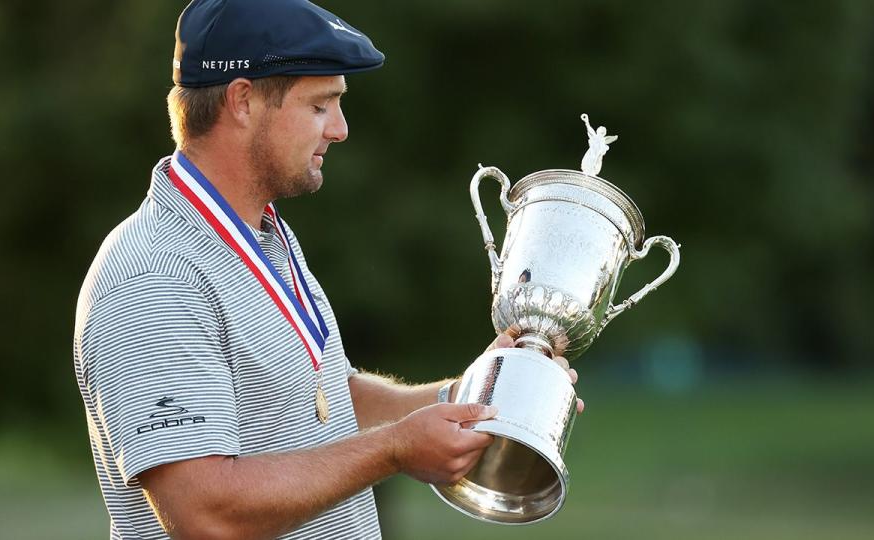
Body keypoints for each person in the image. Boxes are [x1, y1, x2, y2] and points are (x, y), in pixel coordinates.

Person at [73, 1, 582, 539]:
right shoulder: (156, 275)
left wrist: (468, 398)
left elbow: (327, 399)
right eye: (320, 106)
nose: (339, 129)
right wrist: (395, 449)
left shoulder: (264, 235)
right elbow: (204, 512)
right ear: (243, 100)